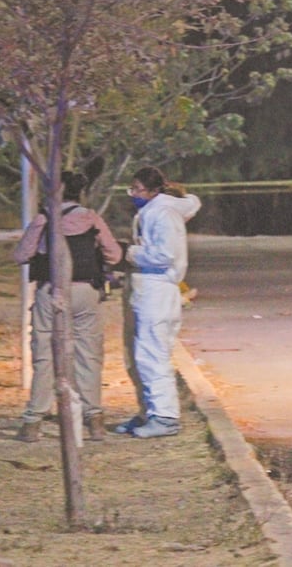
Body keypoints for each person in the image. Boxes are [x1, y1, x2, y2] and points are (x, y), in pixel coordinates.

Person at [13, 171, 123, 442]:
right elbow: (114, 254)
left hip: (51, 292)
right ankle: (94, 418)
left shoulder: (44, 219)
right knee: (89, 354)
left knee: (45, 355)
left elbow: (21, 255)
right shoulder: (91, 218)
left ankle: (33, 421)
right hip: (86, 291)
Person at [114, 167, 201, 438]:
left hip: (156, 289)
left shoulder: (161, 214)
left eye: (137, 189)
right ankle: (150, 412)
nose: (133, 195)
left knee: (152, 355)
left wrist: (129, 253)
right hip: (149, 289)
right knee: (142, 355)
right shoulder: (157, 211)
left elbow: (163, 254)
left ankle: (164, 416)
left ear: (153, 190)